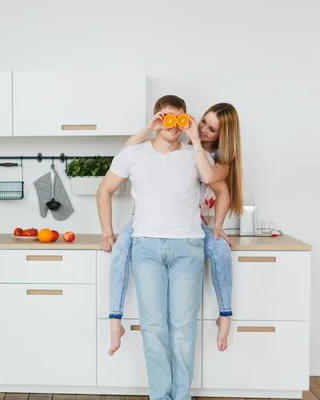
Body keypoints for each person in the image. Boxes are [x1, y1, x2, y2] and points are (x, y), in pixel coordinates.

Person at [96, 95, 224, 400]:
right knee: (154, 328)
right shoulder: (133, 153)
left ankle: (181, 396)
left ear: (185, 121)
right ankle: (159, 396)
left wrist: (217, 227)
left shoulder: (195, 155)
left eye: (179, 119)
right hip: (146, 247)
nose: (173, 125)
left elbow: (220, 187)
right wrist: (107, 232)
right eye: (166, 117)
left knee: (183, 329)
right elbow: (104, 190)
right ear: (157, 119)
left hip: (187, 247)